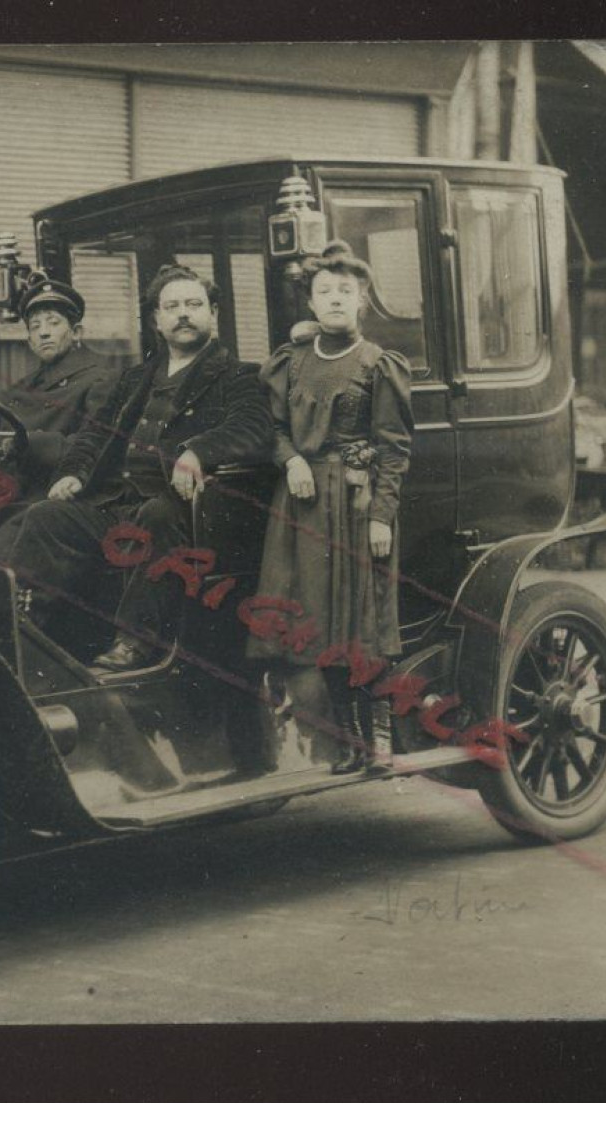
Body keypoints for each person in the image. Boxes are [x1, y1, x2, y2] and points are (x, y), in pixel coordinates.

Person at [3, 263, 273, 671]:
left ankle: (135, 642)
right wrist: (73, 472)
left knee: (157, 513)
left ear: (212, 315)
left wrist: (200, 450)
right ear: (157, 321)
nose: (183, 313)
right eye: (173, 306)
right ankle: (28, 635)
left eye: (194, 304)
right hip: (119, 502)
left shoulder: (238, 375)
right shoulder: (136, 378)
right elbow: (95, 434)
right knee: (48, 517)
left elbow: (252, 427)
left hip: (184, 509)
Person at [247, 241, 413, 774]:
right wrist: (291, 460)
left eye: (346, 291)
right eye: (325, 292)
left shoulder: (377, 364)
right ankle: (345, 743)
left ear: (362, 301)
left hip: (356, 505)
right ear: (311, 304)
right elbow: (270, 429)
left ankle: (380, 741)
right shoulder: (290, 363)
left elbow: (394, 446)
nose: (336, 299)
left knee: (362, 623)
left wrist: (382, 515)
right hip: (301, 509)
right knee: (317, 626)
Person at [0, 275, 115, 557]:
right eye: (35, 327)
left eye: (53, 323)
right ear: (29, 340)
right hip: (2, 496)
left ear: (77, 331)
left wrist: (31, 443)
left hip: (49, 497)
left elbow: (97, 445)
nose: (43, 332)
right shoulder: (25, 385)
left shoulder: (100, 378)